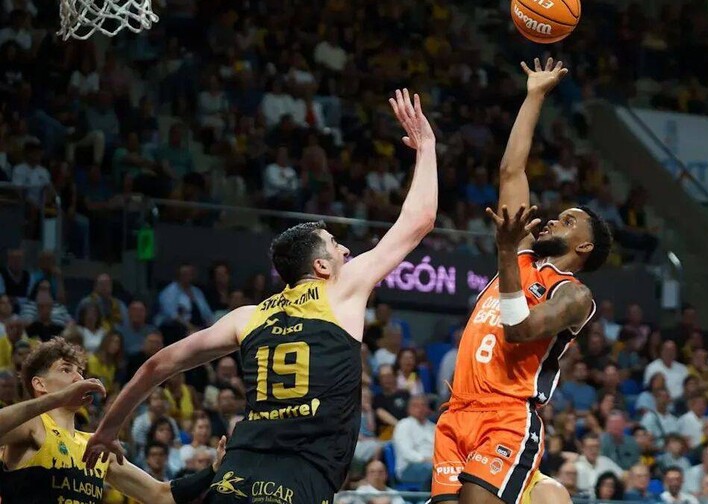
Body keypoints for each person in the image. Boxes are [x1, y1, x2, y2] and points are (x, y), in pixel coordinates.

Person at [84, 89, 438, 504]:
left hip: (233, 478)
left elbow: (158, 364)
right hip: (298, 483)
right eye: (336, 245)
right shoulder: (340, 290)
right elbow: (419, 219)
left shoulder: (246, 316)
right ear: (322, 267)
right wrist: (427, 146)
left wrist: (107, 429)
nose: (346, 251)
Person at [430, 58, 612, 504]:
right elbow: (512, 172)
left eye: (568, 221)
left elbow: (519, 329)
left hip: (506, 416)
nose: (552, 219)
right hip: (456, 412)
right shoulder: (523, 254)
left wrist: (506, 252)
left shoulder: (574, 295)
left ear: (584, 246)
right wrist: (534, 97)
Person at [0, 338, 226, 503]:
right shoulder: (35, 426)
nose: (78, 377)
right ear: (40, 384)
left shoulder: (96, 447)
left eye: (80, 371)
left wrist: (213, 469)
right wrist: (57, 399)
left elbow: (160, 495)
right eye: (66, 370)